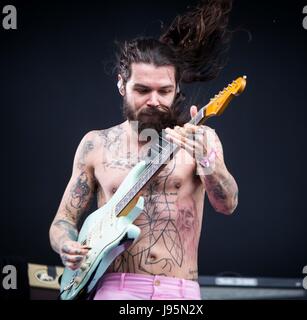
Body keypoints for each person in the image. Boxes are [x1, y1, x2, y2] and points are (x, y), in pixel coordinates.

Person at [49, 0, 238, 300]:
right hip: (115, 289)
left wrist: (208, 161)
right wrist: (66, 245)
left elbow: (227, 204)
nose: (154, 100)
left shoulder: (202, 140)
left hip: (180, 293)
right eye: (142, 90)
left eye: (164, 91)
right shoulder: (95, 145)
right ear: (121, 85)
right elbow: (63, 221)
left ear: (177, 89)